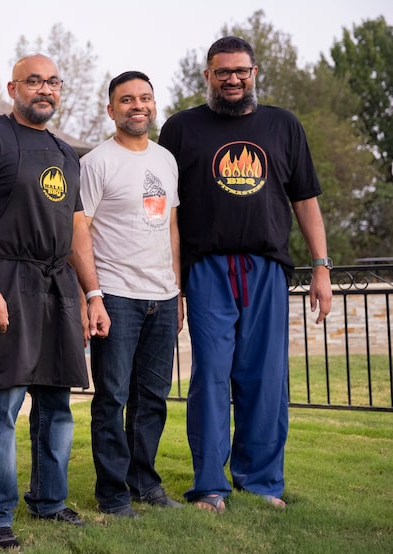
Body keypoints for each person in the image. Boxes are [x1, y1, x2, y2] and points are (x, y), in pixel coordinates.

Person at [158, 36, 333, 514]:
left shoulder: (283, 125)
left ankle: (260, 481)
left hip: (267, 268)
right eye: (222, 72)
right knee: (211, 375)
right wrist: (171, 285)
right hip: (207, 269)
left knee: (266, 378)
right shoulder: (181, 128)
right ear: (208, 76)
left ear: (255, 73)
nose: (232, 79)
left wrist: (321, 267)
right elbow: (166, 213)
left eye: (241, 71)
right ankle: (210, 485)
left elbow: (306, 201)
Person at [0, 53, 110, 550]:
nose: (45, 89)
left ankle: (50, 501)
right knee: (4, 403)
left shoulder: (65, 152)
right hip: (9, 279)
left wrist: (91, 294)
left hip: (58, 286)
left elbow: (77, 228)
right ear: (12, 87)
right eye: (34, 81)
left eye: (53, 82)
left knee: (57, 403)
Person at [80, 71, 184, 518]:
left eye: (144, 98)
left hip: (162, 297)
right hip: (117, 296)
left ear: (154, 106)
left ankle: (144, 483)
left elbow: (172, 228)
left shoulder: (166, 160)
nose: (136, 106)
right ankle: (112, 494)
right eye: (126, 100)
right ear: (111, 110)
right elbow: (77, 229)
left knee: (153, 398)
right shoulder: (96, 161)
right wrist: (94, 295)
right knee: (112, 397)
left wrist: (177, 290)